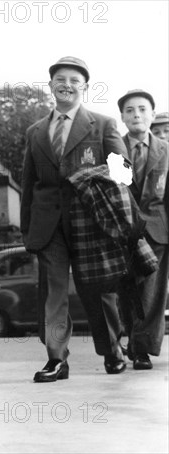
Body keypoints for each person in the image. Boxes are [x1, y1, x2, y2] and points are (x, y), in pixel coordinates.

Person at [20, 56, 128, 383]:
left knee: (99, 290)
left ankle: (112, 350)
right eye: (60, 79)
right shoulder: (35, 131)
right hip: (49, 225)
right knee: (53, 291)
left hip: (91, 222)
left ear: (85, 87)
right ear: (51, 85)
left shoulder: (104, 124)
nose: (66, 84)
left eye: (74, 80)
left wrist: (90, 176)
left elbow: (124, 173)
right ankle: (56, 359)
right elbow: (28, 184)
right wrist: (28, 229)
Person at [117, 89, 169, 370]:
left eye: (142, 109)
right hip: (125, 230)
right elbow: (117, 191)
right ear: (123, 117)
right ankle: (133, 339)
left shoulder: (165, 150)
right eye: (129, 110)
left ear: (151, 113)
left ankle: (142, 349)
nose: (136, 115)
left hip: (158, 230)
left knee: (152, 292)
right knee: (128, 291)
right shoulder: (116, 149)